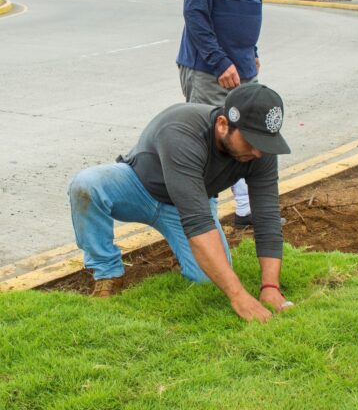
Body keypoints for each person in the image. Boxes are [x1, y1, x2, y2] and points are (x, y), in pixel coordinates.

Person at [68, 84, 292, 322]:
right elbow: (198, 222)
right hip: (139, 188)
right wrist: (239, 297)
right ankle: (107, 272)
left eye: (264, 143)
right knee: (86, 185)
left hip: (188, 203)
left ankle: (181, 251)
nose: (258, 152)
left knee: (208, 278)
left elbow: (266, 217)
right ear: (223, 124)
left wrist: (270, 286)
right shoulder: (182, 131)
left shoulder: (261, 153)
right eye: (250, 141)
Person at [176, 0, 287, 228]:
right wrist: (220, 61)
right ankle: (202, 221)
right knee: (212, 141)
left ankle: (244, 211)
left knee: (248, 135)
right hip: (209, 67)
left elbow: (247, 6)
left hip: (242, 66)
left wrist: (250, 54)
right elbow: (194, 14)